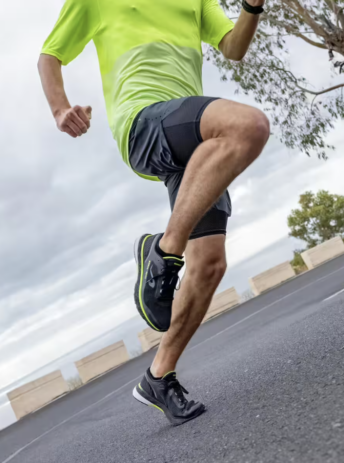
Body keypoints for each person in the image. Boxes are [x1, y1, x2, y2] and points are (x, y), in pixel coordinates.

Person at [39, 0, 270, 426]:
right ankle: (163, 253)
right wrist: (61, 109)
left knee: (210, 265)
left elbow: (234, 47)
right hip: (143, 121)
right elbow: (50, 56)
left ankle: (158, 376)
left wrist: (253, 7)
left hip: (192, 140)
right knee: (247, 125)